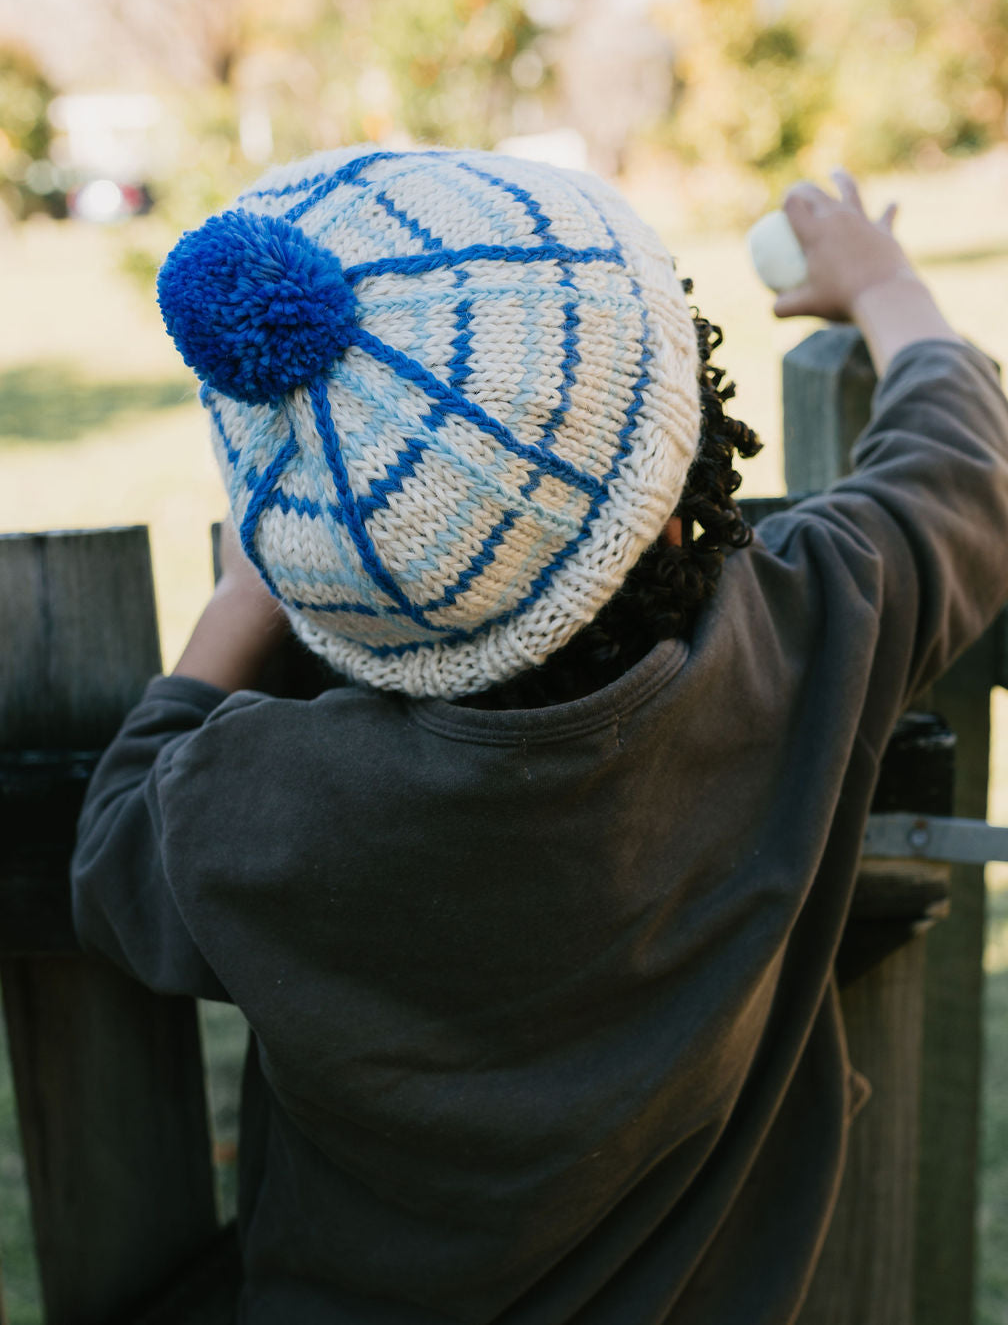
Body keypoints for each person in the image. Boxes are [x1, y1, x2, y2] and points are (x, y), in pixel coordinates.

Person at [72, 148, 1008, 1325]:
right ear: (676, 494)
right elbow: (964, 470)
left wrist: (234, 604)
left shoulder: (271, 799)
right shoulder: (808, 635)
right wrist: (883, 285)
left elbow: (111, 853)